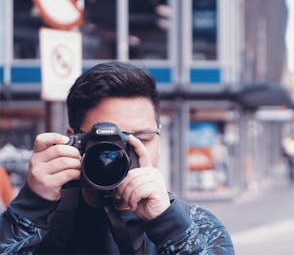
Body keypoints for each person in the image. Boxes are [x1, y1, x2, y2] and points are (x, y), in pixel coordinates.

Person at [0, 62, 234, 254]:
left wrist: (168, 225)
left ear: (160, 139)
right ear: (73, 141)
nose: (120, 155)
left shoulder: (199, 227)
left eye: (141, 138)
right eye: (107, 144)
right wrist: (31, 206)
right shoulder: (38, 223)